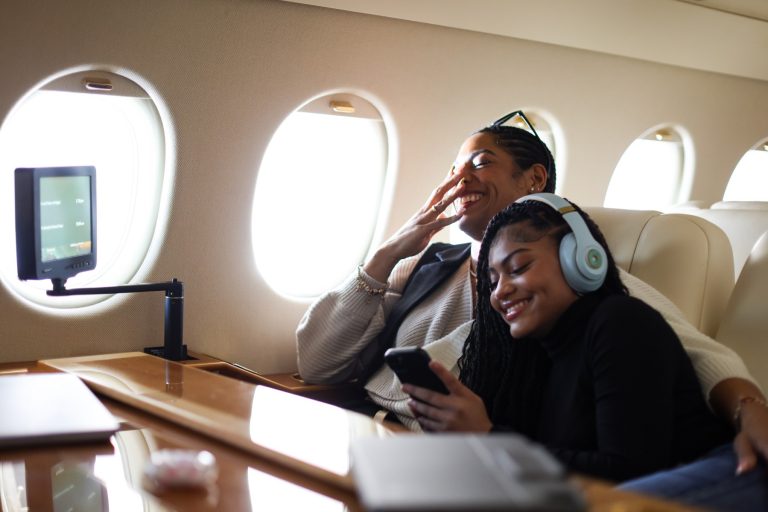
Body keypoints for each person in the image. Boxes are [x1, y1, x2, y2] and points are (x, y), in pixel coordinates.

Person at [296, 111, 768, 473]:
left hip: (454, 462)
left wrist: (748, 408)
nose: (461, 179)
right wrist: (388, 253)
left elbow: (700, 355)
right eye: (454, 168)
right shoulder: (426, 266)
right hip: (373, 439)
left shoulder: (581, 286)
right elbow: (318, 364)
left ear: (535, 179)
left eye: (481, 163)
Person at [402, 195, 767, 510]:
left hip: (736, 471)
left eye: (518, 268)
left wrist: (489, 438)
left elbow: (627, 471)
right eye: (493, 282)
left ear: (582, 258)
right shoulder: (534, 355)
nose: (500, 292)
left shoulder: (620, 322)